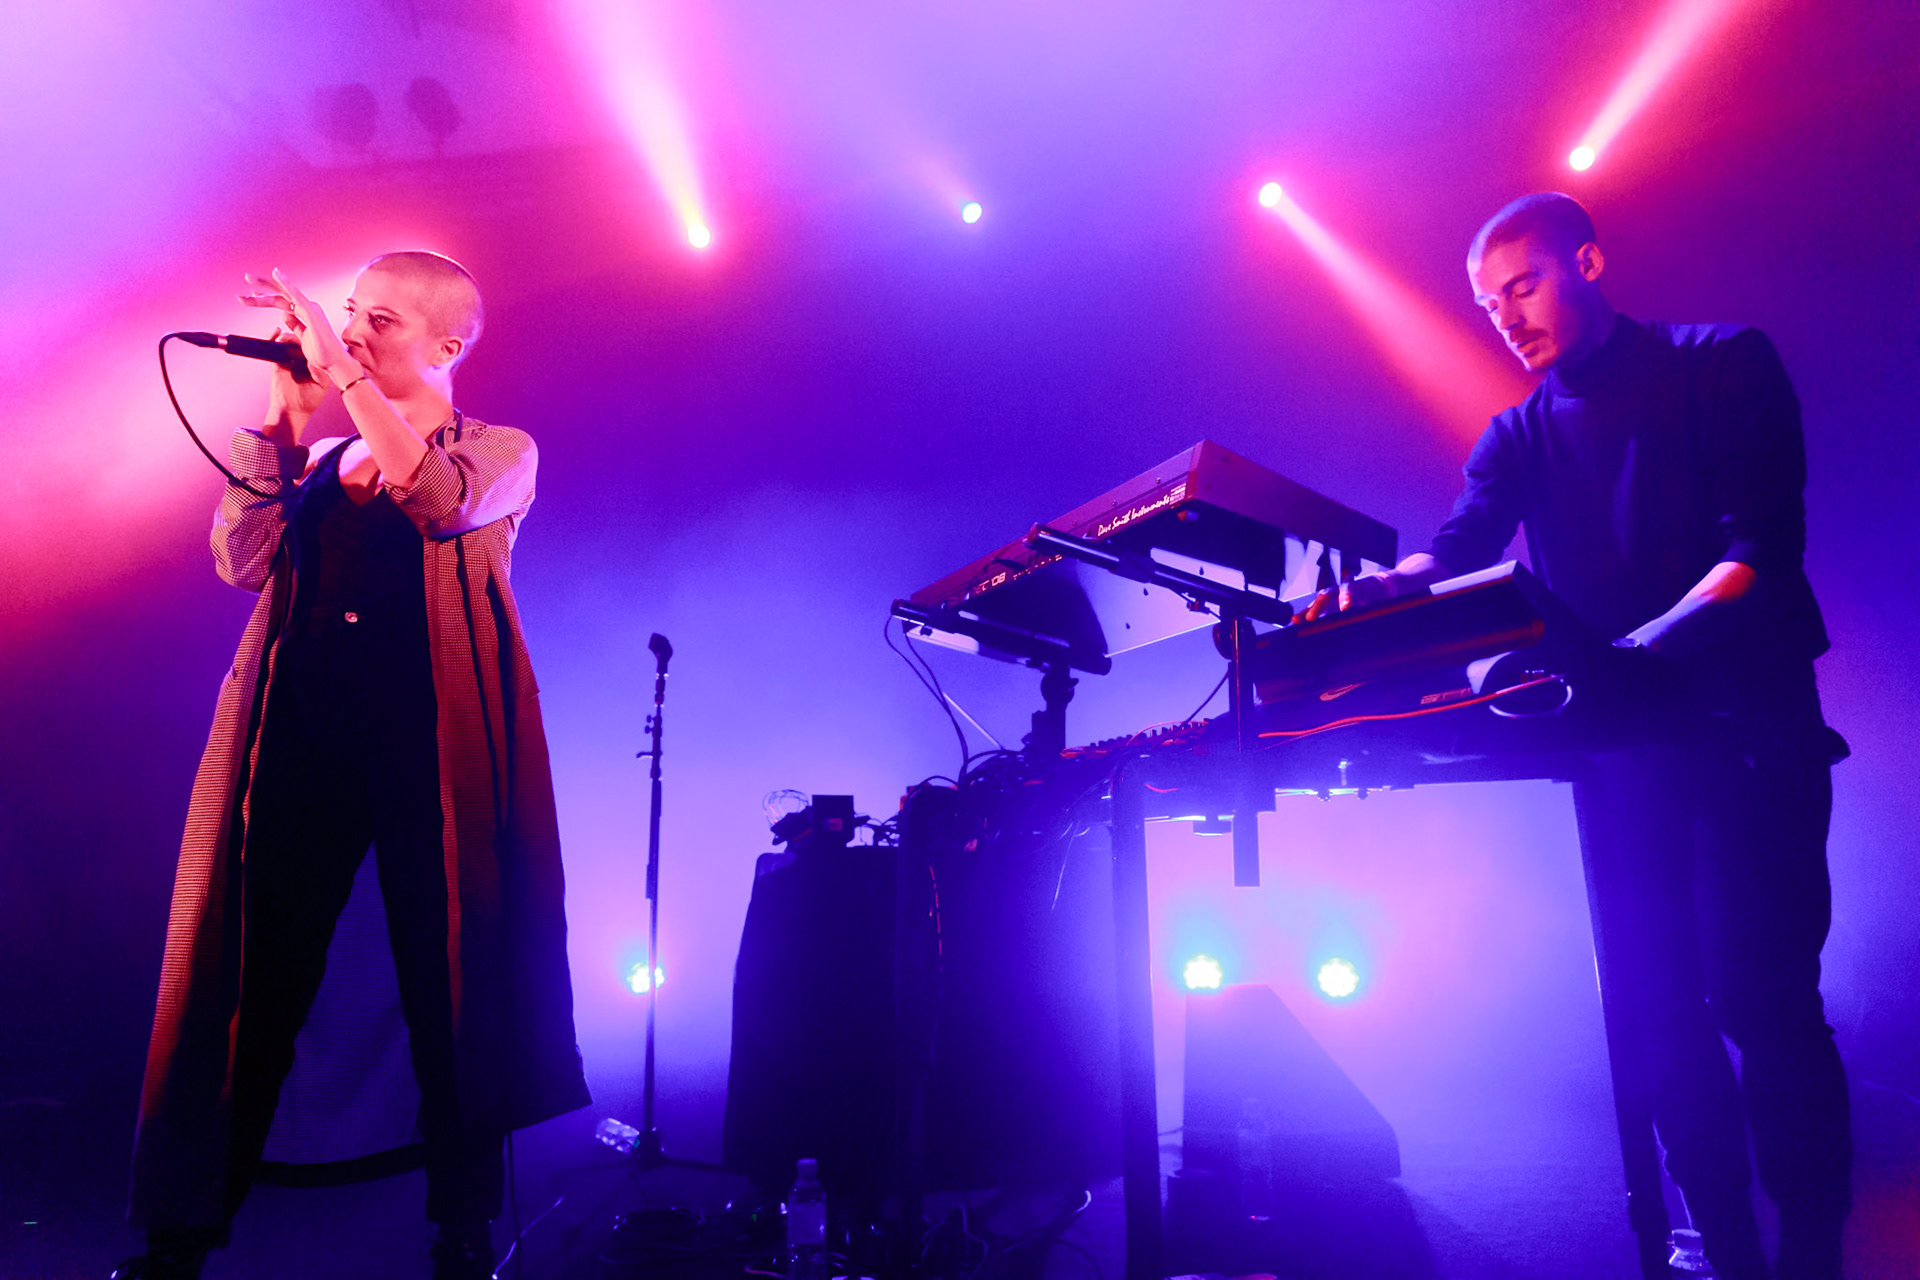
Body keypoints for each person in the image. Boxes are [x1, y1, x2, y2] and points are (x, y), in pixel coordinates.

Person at [1309, 194, 1850, 1280]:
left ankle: (1814, 1259)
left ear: (1587, 261)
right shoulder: (1516, 431)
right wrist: (1383, 587)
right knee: (1660, 1010)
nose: (1505, 317)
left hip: (1749, 734)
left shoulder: (1724, 363)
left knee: (1763, 999)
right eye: (1485, 304)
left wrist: (1638, 652)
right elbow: (1457, 545)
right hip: (1622, 754)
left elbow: (1763, 550)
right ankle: (1730, 1251)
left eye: (1522, 285)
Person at [117, 253, 591, 1280]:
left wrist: (349, 380)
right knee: (255, 981)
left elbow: (434, 498)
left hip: (433, 745)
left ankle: (461, 1231)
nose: (354, 333)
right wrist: (281, 429)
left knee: (448, 984)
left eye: (379, 318)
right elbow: (240, 560)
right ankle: (179, 1239)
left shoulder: (500, 450)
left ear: (446, 344)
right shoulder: (329, 455)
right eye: (349, 315)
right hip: (301, 740)